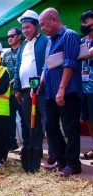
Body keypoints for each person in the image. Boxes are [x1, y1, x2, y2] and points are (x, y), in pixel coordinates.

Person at [39, 7, 83, 177]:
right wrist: (40, 83)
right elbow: (46, 65)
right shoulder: (50, 41)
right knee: (50, 126)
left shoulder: (69, 35)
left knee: (70, 128)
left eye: (43, 24)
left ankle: (73, 164)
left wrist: (62, 89)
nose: (42, 28)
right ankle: (62, 159)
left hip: (68, 92)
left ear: (53, 19)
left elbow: (70, 63)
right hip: (51, 92)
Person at [13, 10, 53, 162]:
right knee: (31, 122)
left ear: (37, 26)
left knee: (47, 121)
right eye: (23, 28)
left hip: (42, 88)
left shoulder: (45, 40)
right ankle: (36, 150)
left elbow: (46, 64)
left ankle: (54, 152)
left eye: (28, 27)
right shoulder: (23, 46)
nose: (25, 31)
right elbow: (18, 67)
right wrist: (17, 88)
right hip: (25, 90)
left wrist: (37, 85)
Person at [1, 27, 28, 152]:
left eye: (11, 36)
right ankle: (12, 144)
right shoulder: (6, 53)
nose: (9, 39)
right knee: (9, 119)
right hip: (9, 92)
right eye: (8, 37)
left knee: (25, 118)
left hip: (22, 90)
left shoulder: (26, 49)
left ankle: (28, 146)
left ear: (19, 36)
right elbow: (1, 71)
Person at [79, 10, 93, 166]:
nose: (84, 25)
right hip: (84, 88)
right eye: (83, 23)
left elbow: (86, 55)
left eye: (87, 22)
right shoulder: (83, 41)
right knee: (89, 120)